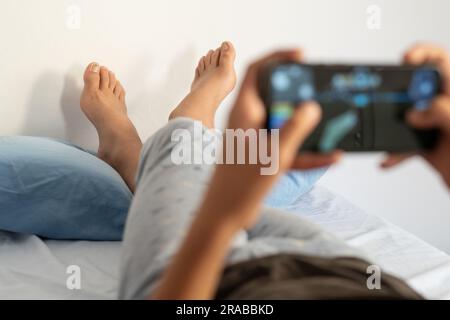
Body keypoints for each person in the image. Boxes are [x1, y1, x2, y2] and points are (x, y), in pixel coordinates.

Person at [79, 41, 449, 299]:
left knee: (190, 166)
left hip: (213, 286)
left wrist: (221, 218)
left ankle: (133, 145)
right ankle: (185, 138)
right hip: (341, 272)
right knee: (234, 200)